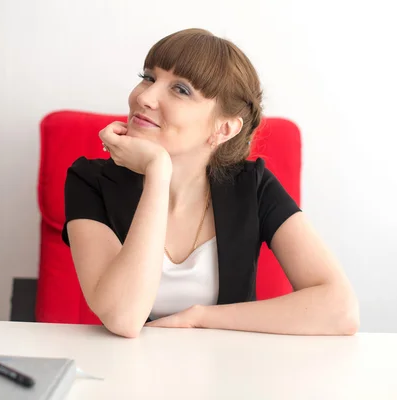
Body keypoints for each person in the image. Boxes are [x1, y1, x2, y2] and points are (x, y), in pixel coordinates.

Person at [62, 28, 359, 338]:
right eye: (148, 77)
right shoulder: (90, 181)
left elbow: (341, 310)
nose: (144, 97)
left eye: (180, 89)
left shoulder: (252, 185)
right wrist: (157, 172)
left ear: (224, 128)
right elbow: (123, 318)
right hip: (124, 372)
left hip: (227, 373)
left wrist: (200, 318)